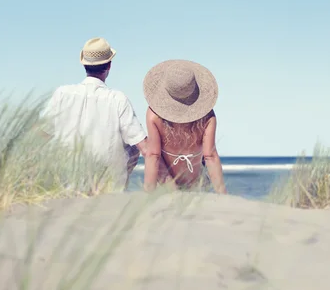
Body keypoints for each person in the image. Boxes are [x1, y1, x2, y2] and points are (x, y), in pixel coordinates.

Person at [41, 37, 161, 189]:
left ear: (84, 64)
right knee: (131, 146)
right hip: (108, 188)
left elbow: (38, 138)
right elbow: (145, 148)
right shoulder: (118, 99)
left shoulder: (62, 94)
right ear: (109, 65)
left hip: (66, 186)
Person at [142, 59, 227, 194]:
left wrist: (147, 194)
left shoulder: (153, 115)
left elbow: (153, 155)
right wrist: (222, 194)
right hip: (197, 185)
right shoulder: (207, 116)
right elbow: (210, 156)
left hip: (167, 187)